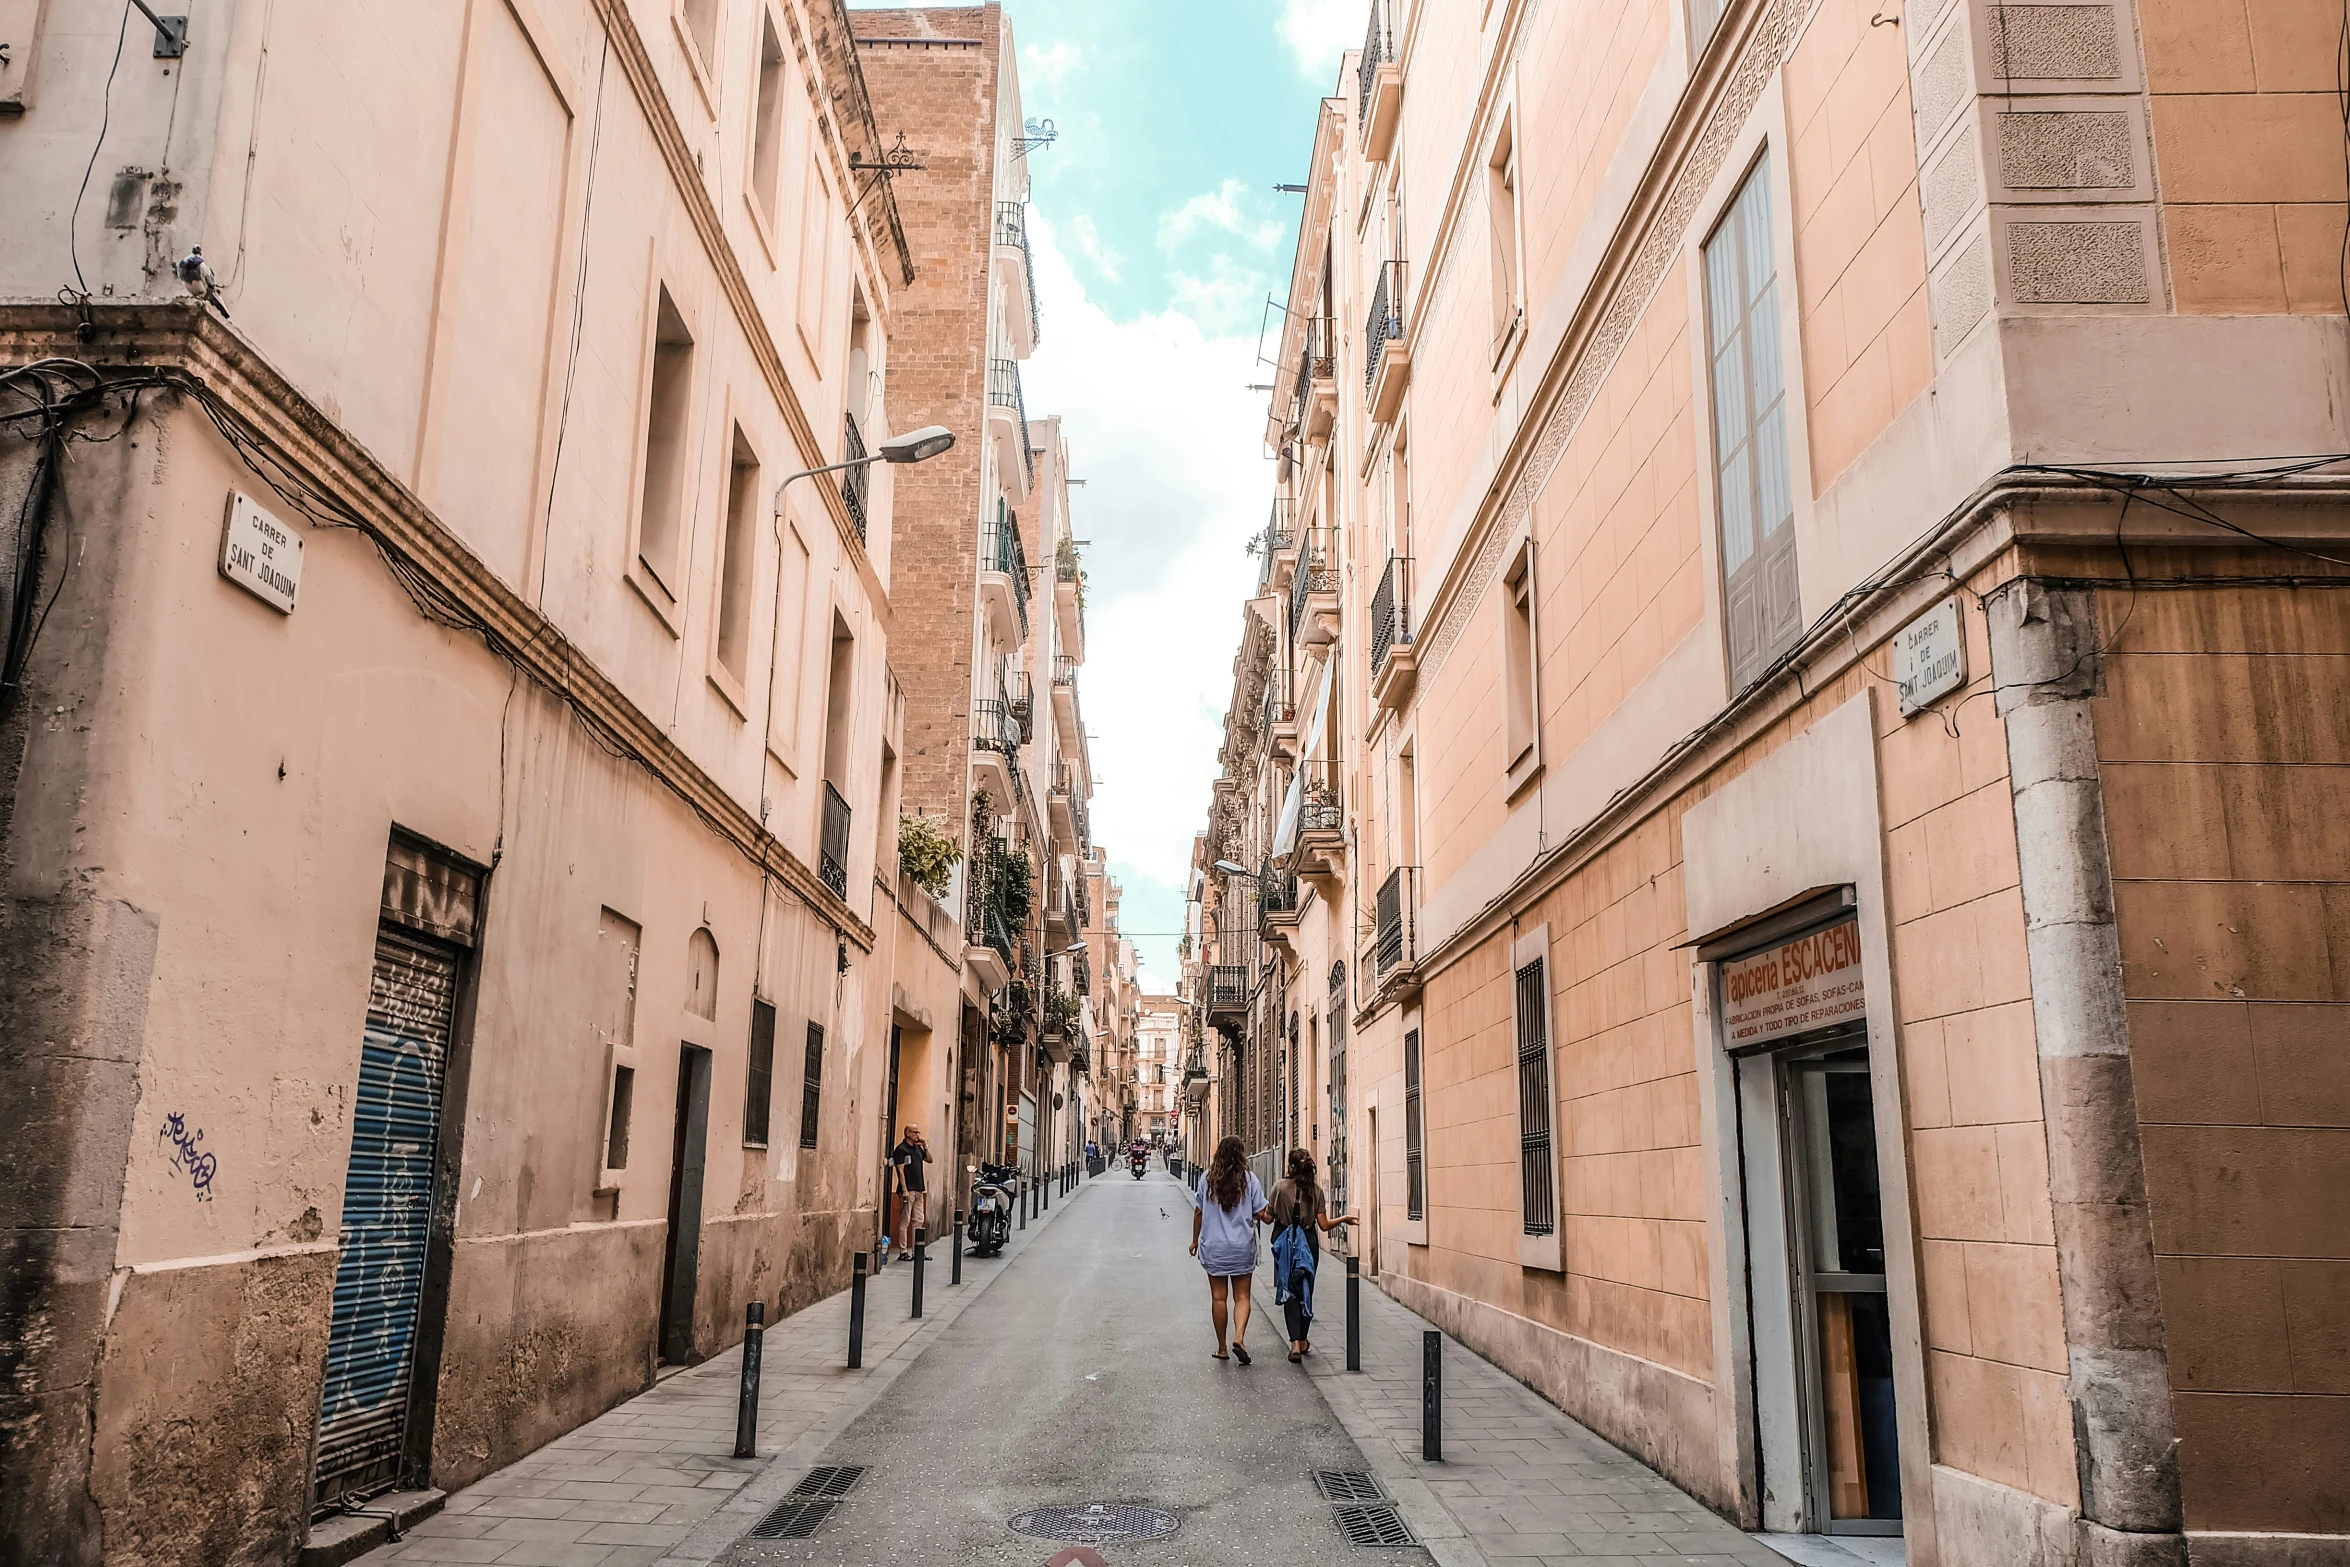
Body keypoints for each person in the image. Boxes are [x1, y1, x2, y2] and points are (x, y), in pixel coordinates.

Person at [1268, 1147, 1357, 1362]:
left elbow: (1269, 1217)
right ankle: (1303, 1338)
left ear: (1290, 1166)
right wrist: (1344, 1218)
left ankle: (1295, 1344)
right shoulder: (1316, 1191)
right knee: (1306, 1287)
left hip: (1284, 1241)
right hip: (1308, 1242)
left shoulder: (1279, 1187)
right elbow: (1324, 1225)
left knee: (1289, 1289)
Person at [1189, 1135, 1271, 1364]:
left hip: (1214, 1247)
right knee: (1243, 1296)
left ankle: (1222, 1348)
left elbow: (1198, 1211)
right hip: (1241, 1246)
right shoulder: (1250, 1180)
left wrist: (1195, 1241)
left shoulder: (1207, 1179)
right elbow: (1263, 1212)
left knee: (1218, 1298)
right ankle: (1239, 1337)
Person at [888, 1125, 930, 1263]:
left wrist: (925, 1146)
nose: (918, 1134)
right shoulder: (901, 1149)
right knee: (905, 1220)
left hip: (919, 1188)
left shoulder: (918, 1148)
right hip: (908, 1189)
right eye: (915, 1132)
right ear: (907, 1133)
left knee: (919, 1220)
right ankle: (903, 1251)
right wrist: (904, 1190)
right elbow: (900, 1170)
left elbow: (929, 1159)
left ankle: (918, 1250)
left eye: (918, 1132)